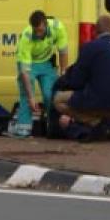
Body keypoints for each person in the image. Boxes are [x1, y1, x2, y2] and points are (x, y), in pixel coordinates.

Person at [51, 14, 110, 140]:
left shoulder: (90, 47)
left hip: (104, 107)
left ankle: (97, 123)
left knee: (58, 100)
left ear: (95, 31)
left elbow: (76, 81)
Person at [12, 10, 70, 138]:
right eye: (35, 31)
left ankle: (53, 125)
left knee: (50, 95)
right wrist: (31, 97)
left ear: (46, 24)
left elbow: (63, 51)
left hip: (46, 63)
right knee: (26, 95)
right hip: (30, 64)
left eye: (40, 30)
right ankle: (24, 129)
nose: (38, 34)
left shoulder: (57, 27)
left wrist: (63, 72)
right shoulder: (26, 36)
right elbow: (25, 73)